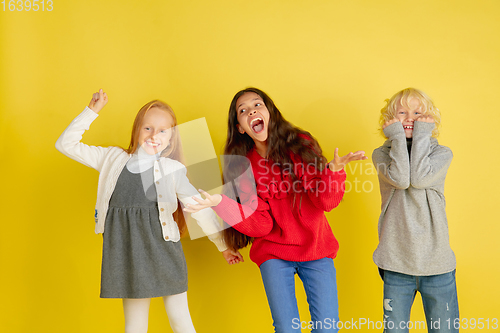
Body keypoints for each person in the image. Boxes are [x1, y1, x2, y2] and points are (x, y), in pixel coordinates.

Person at [184, 87, 366, 332]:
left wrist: (334, 172)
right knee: (286, 328)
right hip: (273, 253)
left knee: (327, 327)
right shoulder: (242, 165)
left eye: (257, 105)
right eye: (243, 111)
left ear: (269, 112)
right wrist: (221, 203)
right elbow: (262, 225)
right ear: (240, 127)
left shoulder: (300, 144)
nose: (252, 111)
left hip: (316, 247)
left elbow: (326, 202)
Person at [55, 89, 228, 333]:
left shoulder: (172, 169)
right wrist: (91, 111)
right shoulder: (111, 159)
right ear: (137, 130)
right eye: (148, 128)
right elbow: (65, 144)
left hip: (165, 252)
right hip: (127, 252)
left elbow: (199, 208)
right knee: (134, 327)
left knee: (180, 320)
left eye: (163, 130)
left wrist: (223, 245)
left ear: (171, 140)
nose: (154, 135)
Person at [372, 88, 459, 333]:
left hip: (437, 264)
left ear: (429, 120)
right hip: (396, 263)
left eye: (418, 113)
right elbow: (401, 179)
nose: (410, 117)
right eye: (402, 112)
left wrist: (421, 135)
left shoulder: (442, 154)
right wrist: (398, 139)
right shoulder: (382, 154)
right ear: (390, 120)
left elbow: (419, 178)